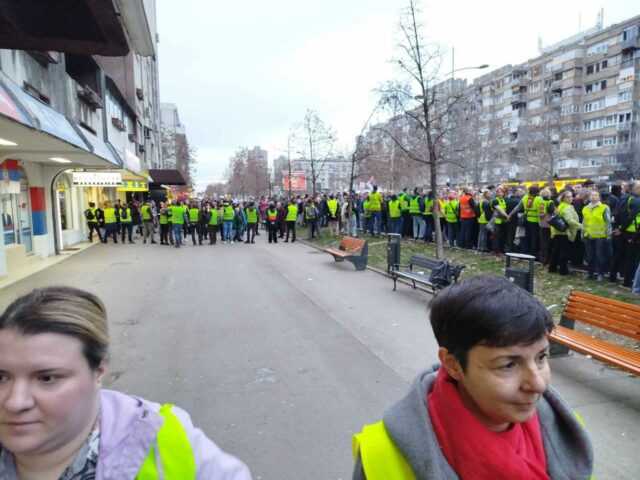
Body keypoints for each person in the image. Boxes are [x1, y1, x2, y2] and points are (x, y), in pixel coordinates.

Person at [352, 275, 593, 480]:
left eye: (541, 358)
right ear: (453, 365)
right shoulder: (382, 455)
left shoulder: (569, 432)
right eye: (508, 365)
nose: (538, 384)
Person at [0, 286, 252, 479]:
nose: (14, 402)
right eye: (1, 377)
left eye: (47, 378)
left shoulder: (162, 441)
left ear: (99, 371)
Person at [549, 191, 583, 276]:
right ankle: (563, 270)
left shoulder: (560, 206)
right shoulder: (567, 207)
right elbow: (570, 221)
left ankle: (552, 268)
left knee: (556, 251)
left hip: (557, 231)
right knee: (564, 252)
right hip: (565, 232)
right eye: (567, 197)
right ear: (563, 198)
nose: (570, 198)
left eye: (571, 196)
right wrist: (582, 227)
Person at [582, 191, 612, 282]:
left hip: (600, 235)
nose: (593, 197)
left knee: (600, 256)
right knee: (590, 256)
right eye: (592, 195)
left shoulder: (604, 208)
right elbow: (584, 222)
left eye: (596, 195)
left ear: (599, 198)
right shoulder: (585, 208)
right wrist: (582, 233)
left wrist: (608, 233)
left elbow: (608, 221)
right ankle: (590, 273)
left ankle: (600, 274)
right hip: (588, 235)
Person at [490, 187, 508, 253]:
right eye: (498, 192)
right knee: (496, 237)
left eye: (501, 192)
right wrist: (507, 216)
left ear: (503, 193)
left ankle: (501, 249)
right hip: (496, 221)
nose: (500, 193)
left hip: (502, 221)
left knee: (502, 236)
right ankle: (495, 250)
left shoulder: (503, 200)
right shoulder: (495, 201)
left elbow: (504, 209)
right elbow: (499, 209)